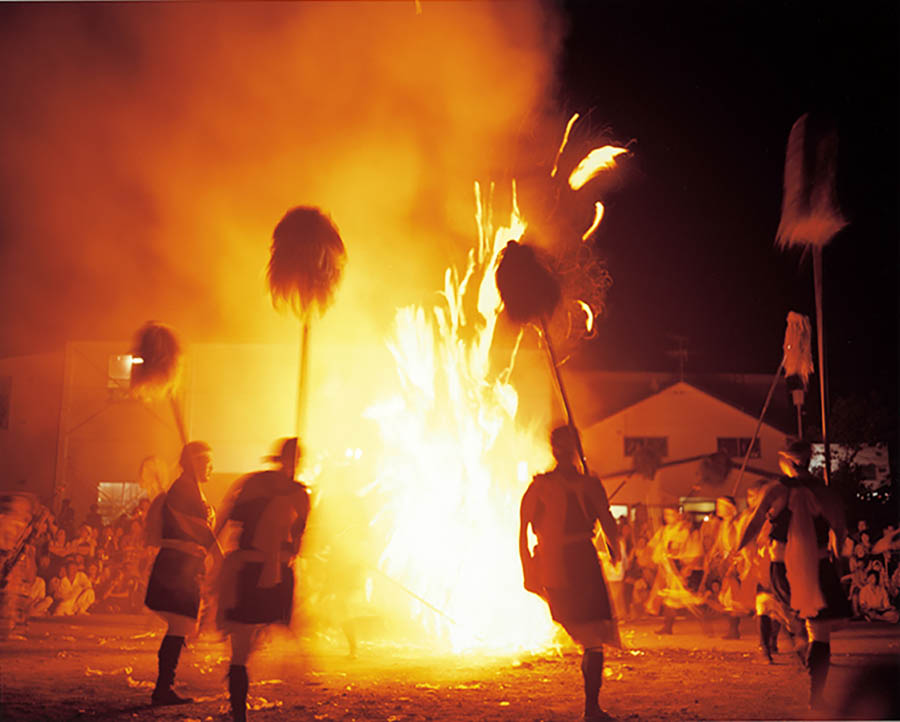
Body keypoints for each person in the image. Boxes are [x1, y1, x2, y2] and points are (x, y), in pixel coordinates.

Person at [738, 439, 849, 710]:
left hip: (783, 569)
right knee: (819, 632)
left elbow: (754, 522)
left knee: (794, 618)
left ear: (786, 462)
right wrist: (837, 559)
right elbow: (841, 531)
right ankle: (816, 692)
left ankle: (799, 641)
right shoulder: (826, 493)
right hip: (820, 566)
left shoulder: (775, 489)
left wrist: (736, 548)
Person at [519, 424, 620, 722]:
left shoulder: (589, 485)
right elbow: (522, 532)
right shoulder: (540, 487)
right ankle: (592, 708)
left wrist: (615, 546)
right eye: (562, 444)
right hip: (557, 563)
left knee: (593, 638)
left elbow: (606, 519)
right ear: (556, 449)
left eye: (569, 444)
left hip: (581, 562)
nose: (565, 450)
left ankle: (592, 708)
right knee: (586, 634)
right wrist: (529, 571)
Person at [214, 437, 311, 722]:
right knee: (242, 646)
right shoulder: (259, 485)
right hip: (249, 572)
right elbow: (228, 518)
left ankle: (240, 689)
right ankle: (238, 708)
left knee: (268, 634)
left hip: (274, 572)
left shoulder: (297, 494)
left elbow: (298, 541)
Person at [143, 441, 220, 707]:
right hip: (177, 566)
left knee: (181, 626)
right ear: (194, 463)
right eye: (207, 462)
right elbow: (201, 531)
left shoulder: (190, 489)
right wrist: (221, 559)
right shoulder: (184, 489)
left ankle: (165, 685)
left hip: (183, 565)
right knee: (179, 626)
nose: (211, 467)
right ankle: (163, 688)